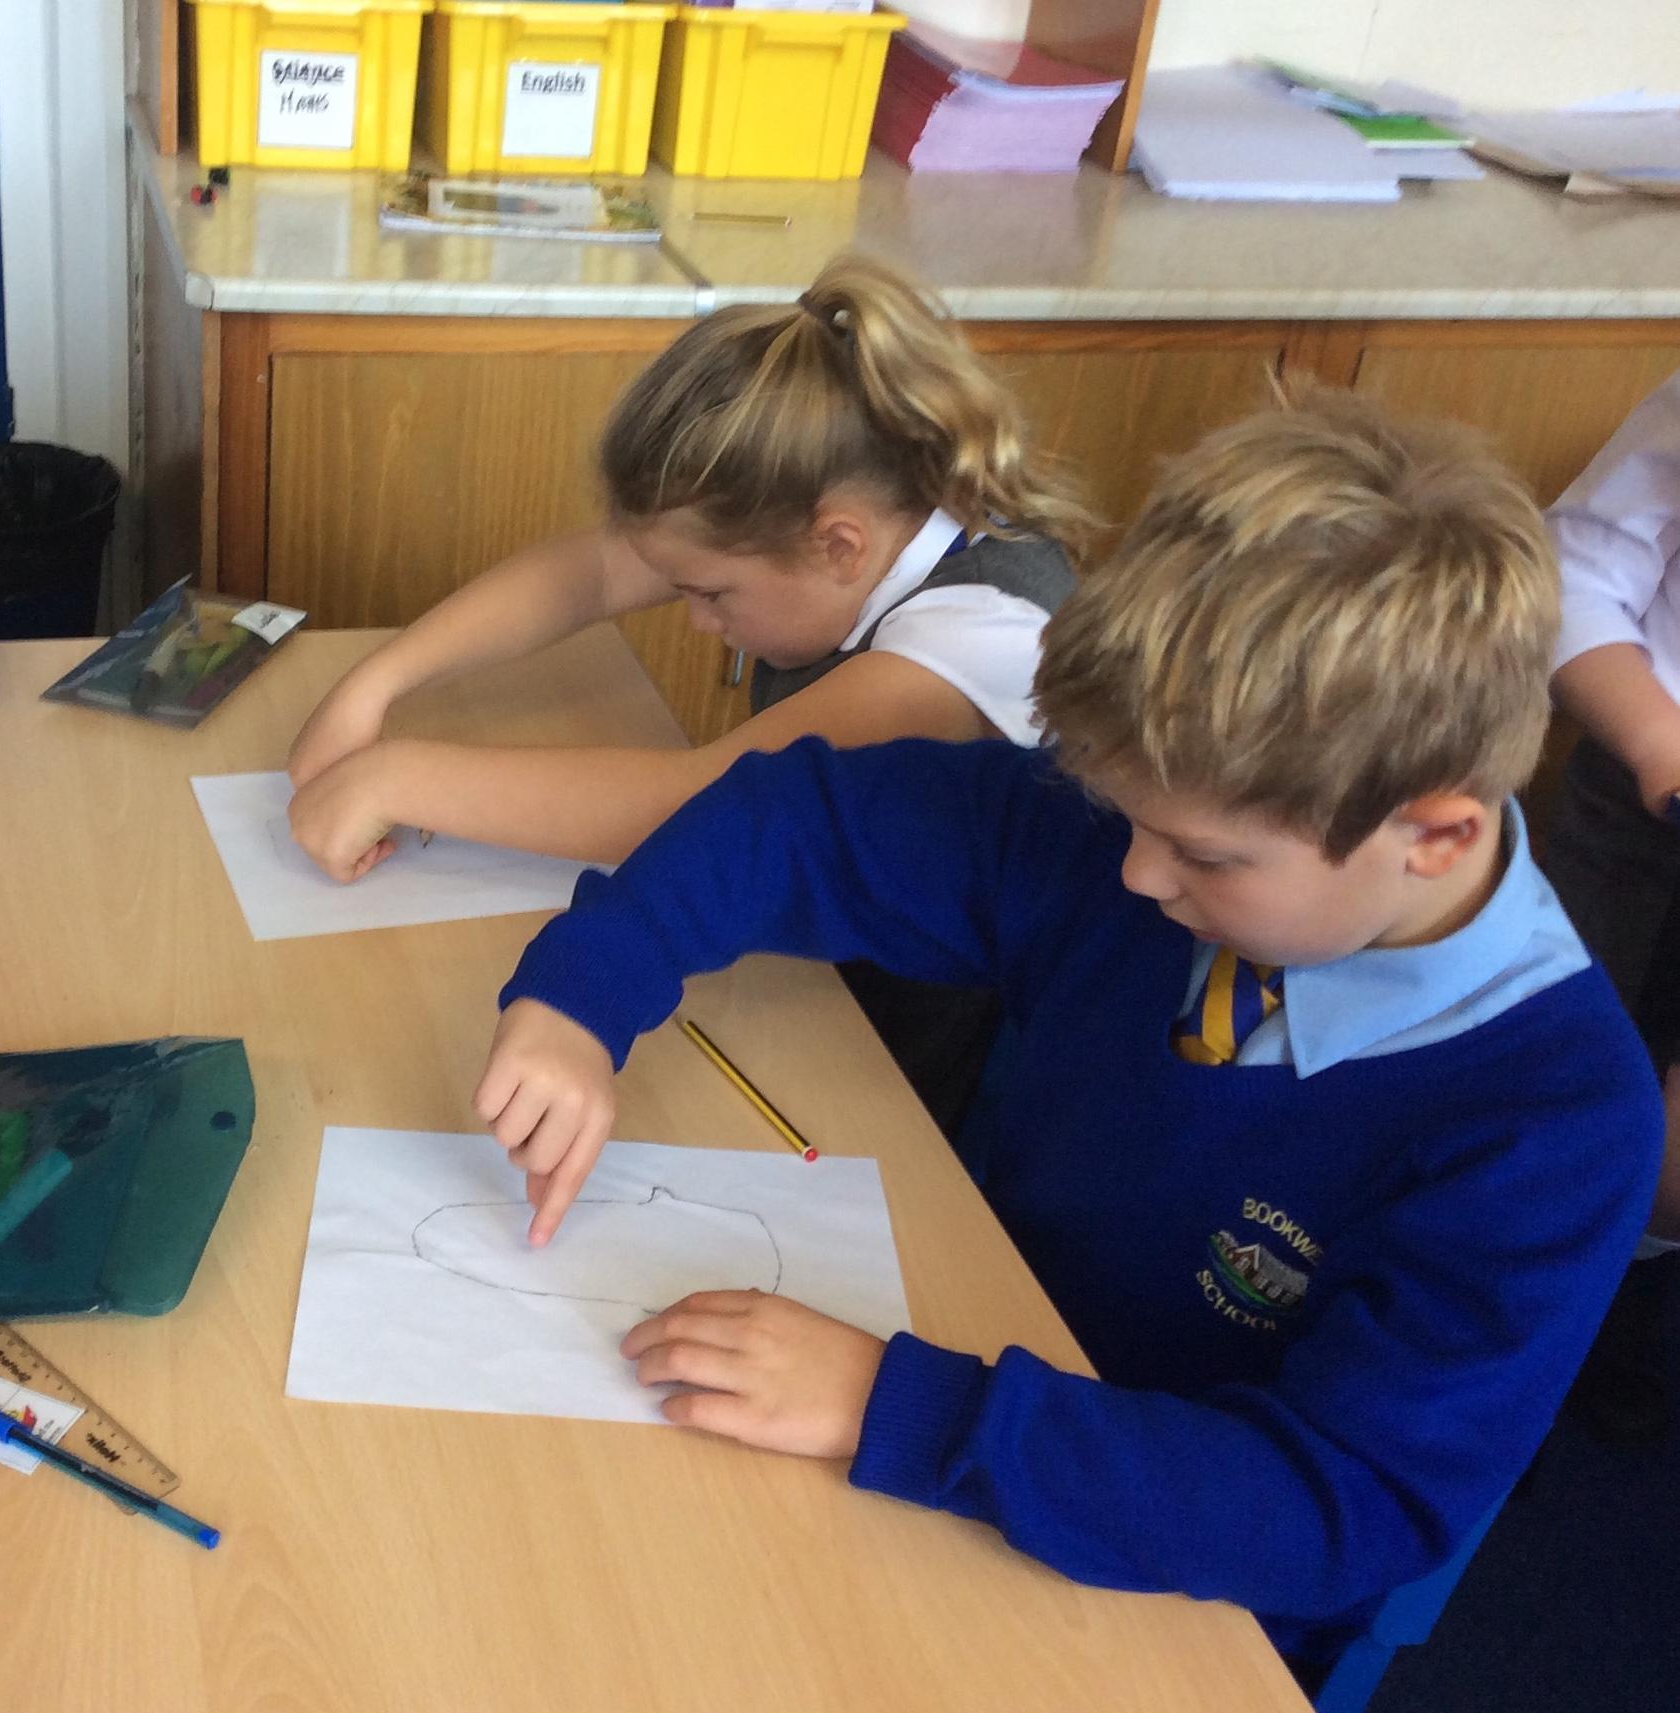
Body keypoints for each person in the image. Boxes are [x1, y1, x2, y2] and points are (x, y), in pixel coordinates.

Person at [468, 389, 1661, 1674]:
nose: (1137, 876)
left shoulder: (1553, 1123)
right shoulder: (1158, 820)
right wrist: (585, 991)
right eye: (1126, 821)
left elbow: (1330, 1505)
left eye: (1202, 855)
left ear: (1433, 832)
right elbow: (798, 820)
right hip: (964, 1372)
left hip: (1173, 1597)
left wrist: (897, 1406)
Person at [286, 252, 1093, 1134]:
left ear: (838, 546)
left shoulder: (971, 643)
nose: (699, 622)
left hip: (909, 1061)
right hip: (808, 968)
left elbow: (700, 805)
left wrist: (396, 776)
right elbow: (596, 571)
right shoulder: (858, 510)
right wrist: (376, 683)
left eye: (711, 594)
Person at [1541, 368, 1680, 1442]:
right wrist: (1655, 743)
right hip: (1646, 800)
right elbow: (1572, 576)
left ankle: (1615, 1314)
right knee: (1562, 1088)